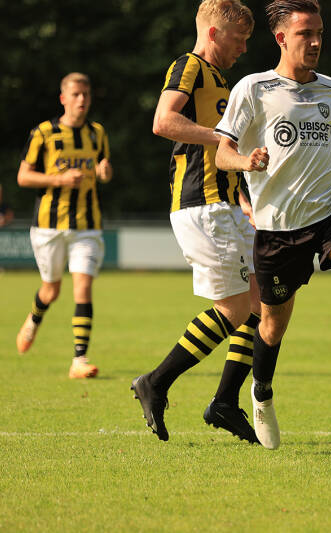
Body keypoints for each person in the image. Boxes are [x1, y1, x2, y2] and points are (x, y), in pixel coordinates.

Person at [214, 0, 331, 449]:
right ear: (281, 38)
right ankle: (261, 395)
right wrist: (247, 162)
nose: (316, 42)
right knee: (272, 327)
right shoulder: (253, 88)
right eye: (306, 34)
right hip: (279, 230)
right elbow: (222, 153)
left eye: (320, 33)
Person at [130, 0, 261, 443]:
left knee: (260, 305)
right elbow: (163, 120)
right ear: (213, 33)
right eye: (239, 39)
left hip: (225, 204)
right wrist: (221, 136)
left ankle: (225, 402)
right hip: (201, 205)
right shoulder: (189, 66)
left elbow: (219, 153)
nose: (244, 48)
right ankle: (155, 382)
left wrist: (242, 196)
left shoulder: (222, 80)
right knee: (235, 310)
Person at [15, 72, 113, 379]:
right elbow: (23, 177)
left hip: (87, 225)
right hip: (49, 226)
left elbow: (104, 170)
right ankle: (34, 318)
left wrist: (105, 173)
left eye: (86, 94)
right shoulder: (44, 133)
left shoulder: (97, 133)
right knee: (52, 290)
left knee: (82, 287)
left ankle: (79, 360)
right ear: (63, 98)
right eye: (76, 94)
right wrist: (59, 180)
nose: (82, 100)